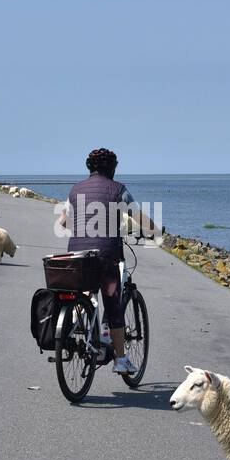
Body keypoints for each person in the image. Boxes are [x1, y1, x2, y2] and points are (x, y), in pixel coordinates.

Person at [57, 148, 161, 376]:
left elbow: (63, 222)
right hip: (106, 255)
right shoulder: (118, 189)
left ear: (89, 168)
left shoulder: (75, 190)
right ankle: (121, 360)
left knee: (85, 290)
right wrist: (156, 231)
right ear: (112, 168)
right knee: (113, 305)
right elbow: (138, 217)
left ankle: (78, 321)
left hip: (76, 255)